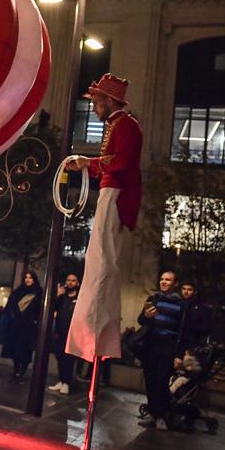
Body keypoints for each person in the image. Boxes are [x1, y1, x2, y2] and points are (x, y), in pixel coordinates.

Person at [65, 73, 143, 362]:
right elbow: (113, 163)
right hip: (111, 193)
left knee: (101, 264)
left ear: (110, 101)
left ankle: (95, 334)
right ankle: (91, 331)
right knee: (97, 262)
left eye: (97, 102)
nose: (95, 108)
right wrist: (89, 165)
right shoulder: (119, 125)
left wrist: (88, 162)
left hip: (116, 195)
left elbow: (120, 162)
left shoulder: (127, 126)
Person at [137, 271, 185, 430]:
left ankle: (161, 416)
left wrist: (179, 354)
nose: (164, 282)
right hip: (151, 344)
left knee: (161, 381)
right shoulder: (153, 298)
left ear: (175, 283)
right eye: (162, 279)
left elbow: (183, 330)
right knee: (150, 380)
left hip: (168, 346)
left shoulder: (180, 304)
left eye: (168, 280)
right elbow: (141, 320)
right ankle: (152, 413)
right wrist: (146, 315)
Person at [1, 271, 41, 382]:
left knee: (25, 350)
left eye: (30, 278)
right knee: (15, 349)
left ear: (34, 279)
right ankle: (16, 369)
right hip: (16, 325)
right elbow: (9, 306)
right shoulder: (18, 291)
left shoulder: (38, 292)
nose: (28, 280)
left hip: (29, 326)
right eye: (26, 278)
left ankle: (22, 371)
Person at [48, 273, 80, 395]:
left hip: (73, 333)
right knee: (60, 357)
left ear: (77, 283)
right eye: (68, 280)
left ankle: (67, 382)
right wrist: (57, 295)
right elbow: (53, 308)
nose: (70, 283)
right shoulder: (62, 298)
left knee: (68, 358)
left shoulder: (80, 298)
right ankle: (61, 380)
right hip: (60, 332)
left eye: (73, 280)